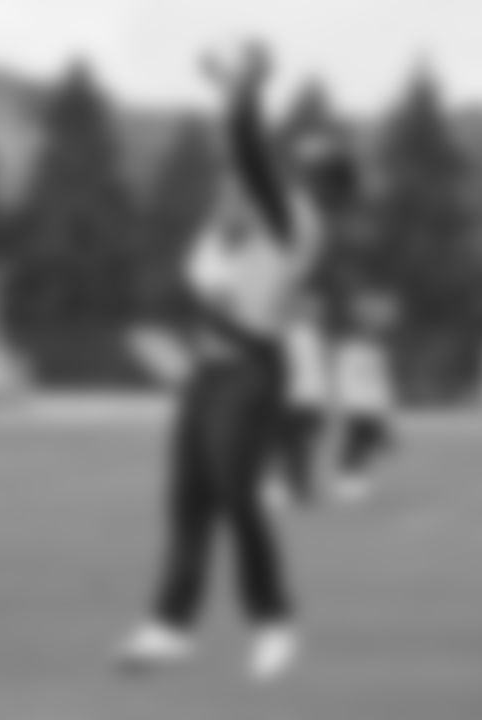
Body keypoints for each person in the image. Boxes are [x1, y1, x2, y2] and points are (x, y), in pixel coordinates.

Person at [117, 41, 325, 682]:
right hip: (208, 375)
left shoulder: (288, 223)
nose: (226, 189)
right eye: (224, 185)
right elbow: (237, 159)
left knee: (238, 497)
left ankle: (274, 622)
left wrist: (245, 91)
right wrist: (224, 89)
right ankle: (170, 627)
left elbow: (248, 149)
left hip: (250, 372)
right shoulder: (221, 235)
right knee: (188, 502)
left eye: (238, 184)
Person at [325, 291, 397, 505]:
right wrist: (342, 401)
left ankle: (357, 477)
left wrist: (384, 404)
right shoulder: (349, 349)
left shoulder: (375, 350)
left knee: (367, 442)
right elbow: (341, 377)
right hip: (356, 403)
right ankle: (346, 482)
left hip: (372, 403)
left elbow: (380, 380)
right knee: (354, 442)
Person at [267, 294, 332, 509]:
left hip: (309, 399)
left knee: (302, 446)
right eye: (310, 310)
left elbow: (319, 371)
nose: (315, 313)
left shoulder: (314, 336)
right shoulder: (284, 336)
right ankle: (281, 488)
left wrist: (323, 398)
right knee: (283, 446)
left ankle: (300, 488)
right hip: (287, 398)